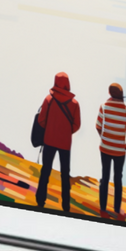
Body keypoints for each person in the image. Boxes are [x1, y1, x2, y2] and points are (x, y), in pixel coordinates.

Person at [33, 72, 82, 213]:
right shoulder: (74, 104)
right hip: (65, 143)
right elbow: (77, 125)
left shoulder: (49, 99)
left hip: (49, 140)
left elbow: (41, 120)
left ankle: (40, 201)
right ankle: (66, 206)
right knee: (65, 174)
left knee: (46, 171)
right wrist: (66, 132)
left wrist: (50, 129)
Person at [95, 81, 126, 222]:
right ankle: (117, 210)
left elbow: (98, 126)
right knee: (118, 178)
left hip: (105, 148)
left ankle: (103, 209)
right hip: (119, 150)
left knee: (105, 177)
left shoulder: (103, 107)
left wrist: (104, 138)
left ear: (109, 93)